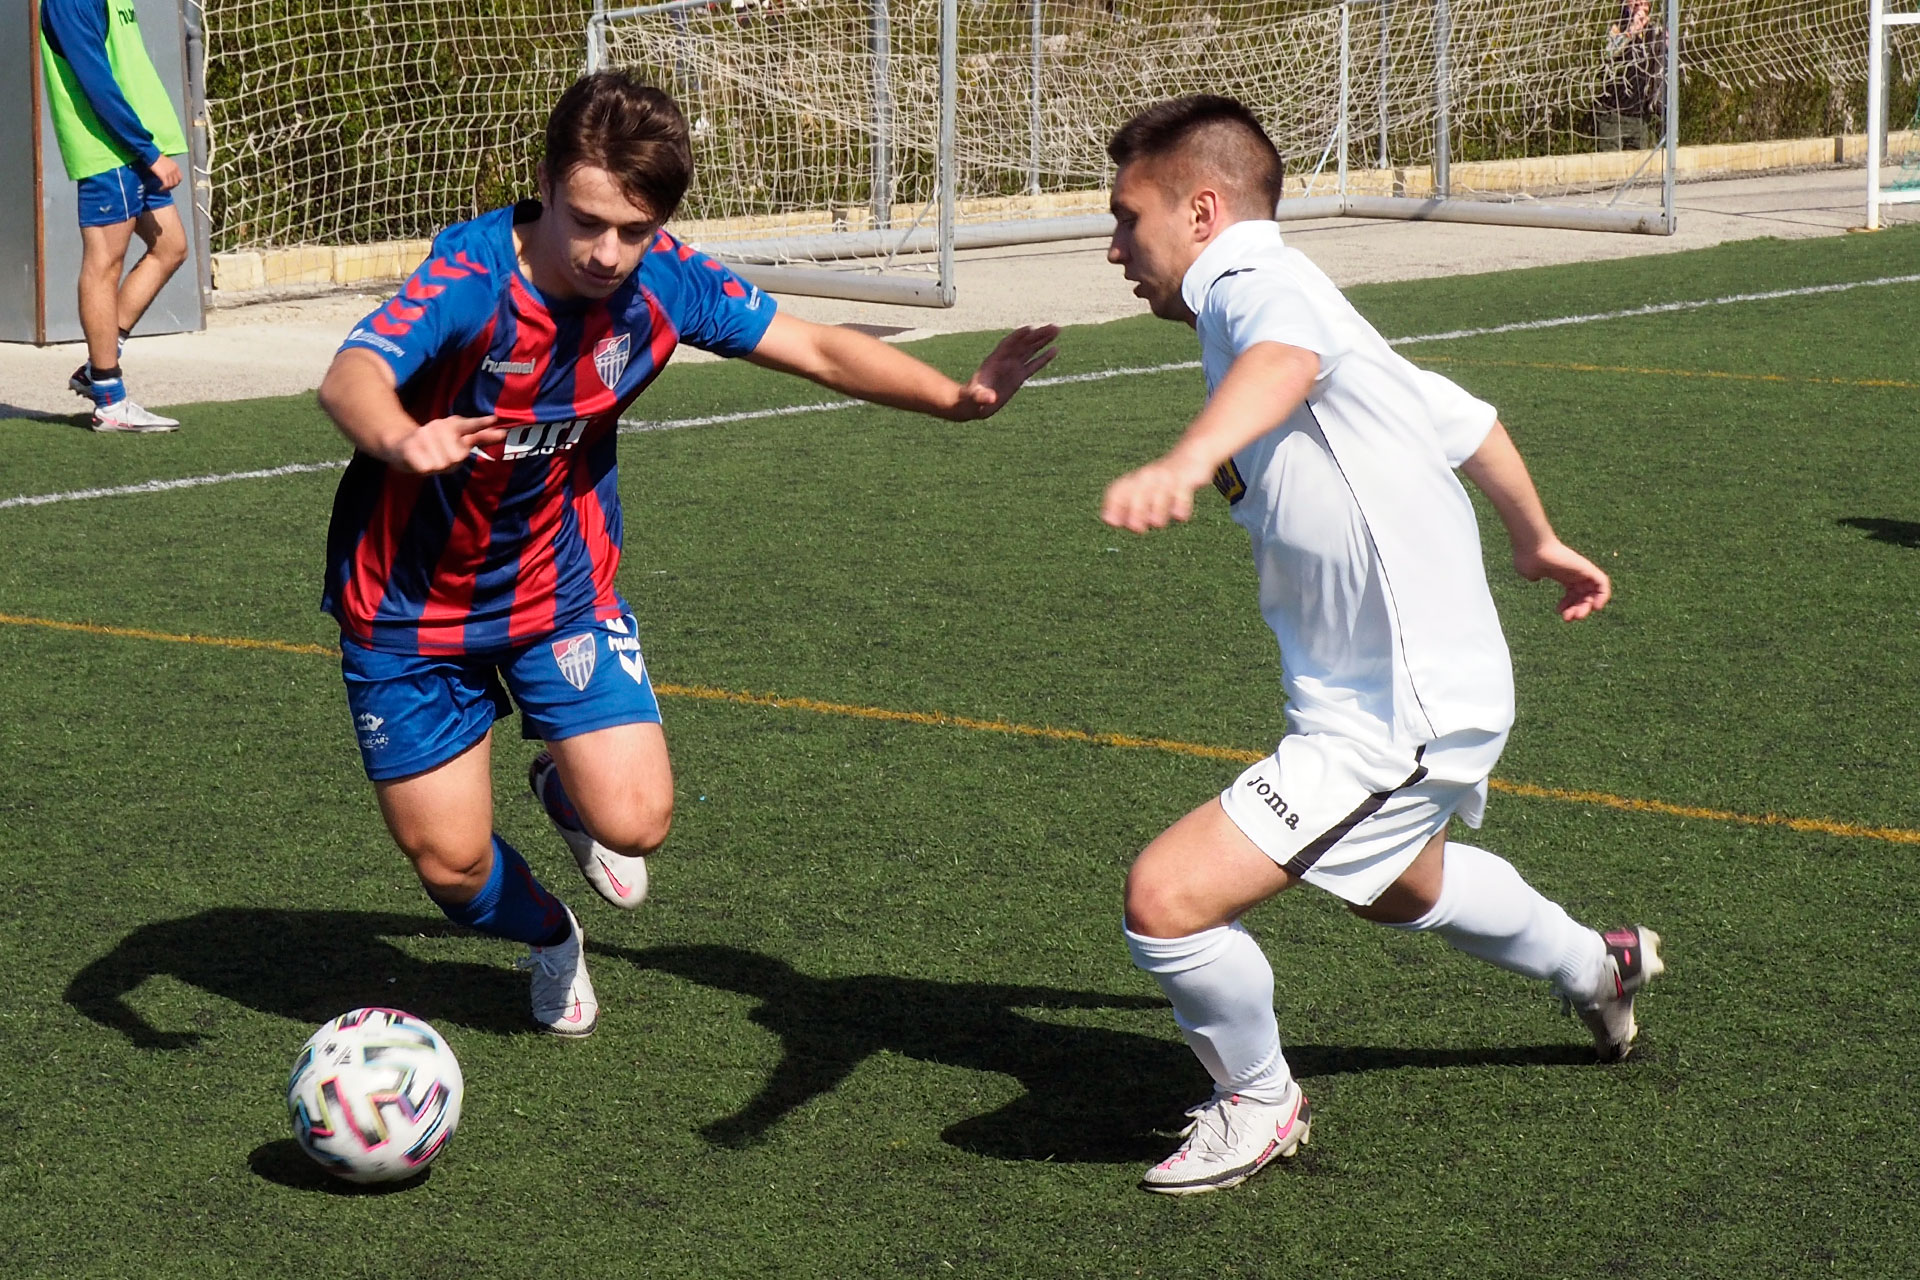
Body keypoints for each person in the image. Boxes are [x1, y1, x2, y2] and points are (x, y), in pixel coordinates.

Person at [316, 71, 1057, 1038]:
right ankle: (549, 937)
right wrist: (398, 438)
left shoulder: (662, 277)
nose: (609, 254)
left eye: (635, 229)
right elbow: (353, 375)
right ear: (543, 183)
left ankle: (564, 782)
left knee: (637, 824)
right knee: (451, 867)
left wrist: (958, 398)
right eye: (587, 222)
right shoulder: (467, 283)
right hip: (409, 610)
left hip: (559, 588)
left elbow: (822, 348)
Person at [1098, 95, 1663, 1196]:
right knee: (1396, 883)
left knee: (1166, 900)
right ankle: (1602, 962)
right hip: (1399, 692)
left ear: (1202, 211)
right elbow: (1467, 422)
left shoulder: (1249, 281)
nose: (1115, 244)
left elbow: (1285, 360)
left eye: (1127, 216)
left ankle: (1259, 1102)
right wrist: (1535, 537)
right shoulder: (1308, 300)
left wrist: (1186, 457)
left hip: (1394, 709)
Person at [38, 0, 191, 432]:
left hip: (135, 147)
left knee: (171, 248)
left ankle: (97, 366)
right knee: (104, 264)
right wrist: (148, 150)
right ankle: (109, 399)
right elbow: (95, 81)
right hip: (110, 151)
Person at [1597, 0, 1666, 152]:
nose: (1640, 6)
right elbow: (1608, 52)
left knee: (1639, 167)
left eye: (1645, 3)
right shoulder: (1615, 26)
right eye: (1635, 3)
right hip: (1612, 115)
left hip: (1639, 116)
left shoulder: (1653, 32)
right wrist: (1631, 31)